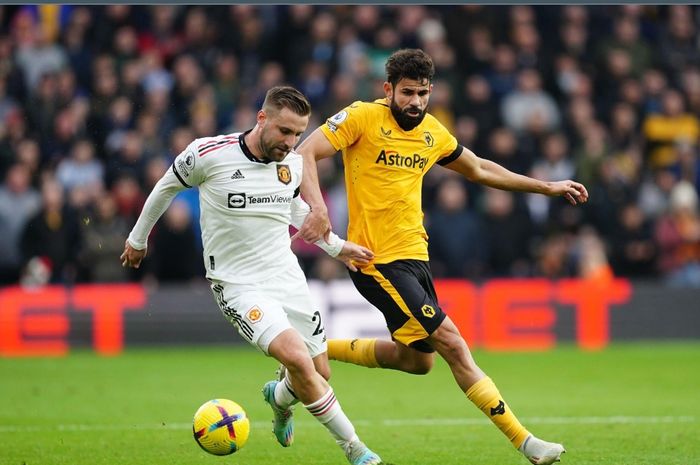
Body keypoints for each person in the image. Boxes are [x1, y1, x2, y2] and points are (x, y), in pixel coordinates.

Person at [296, 49, 590, 465]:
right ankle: (527, 443)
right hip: (376, 261)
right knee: (453, 343)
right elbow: (305, 152)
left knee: (417, 362)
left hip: (416, 258)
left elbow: (482, 169)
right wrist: (319, 209)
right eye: (408, 93)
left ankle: (314, 350)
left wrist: (546, 187)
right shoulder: (362, 116)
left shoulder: (433, 131)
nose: (416, 101)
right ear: (388, 89)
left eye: (423, 93)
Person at [120, 86, 383, 465]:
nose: (291, 142)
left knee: (319, 371)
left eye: (297, 134)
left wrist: (338, 248)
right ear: (262, 119)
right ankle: (356, 450)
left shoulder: (290, 164)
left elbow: (293, 211)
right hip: (238, 285)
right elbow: (166, 188)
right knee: (297, 358)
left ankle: (278, 398)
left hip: (286, 277)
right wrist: (138, 239)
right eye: (284, 131)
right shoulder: (208, 154)